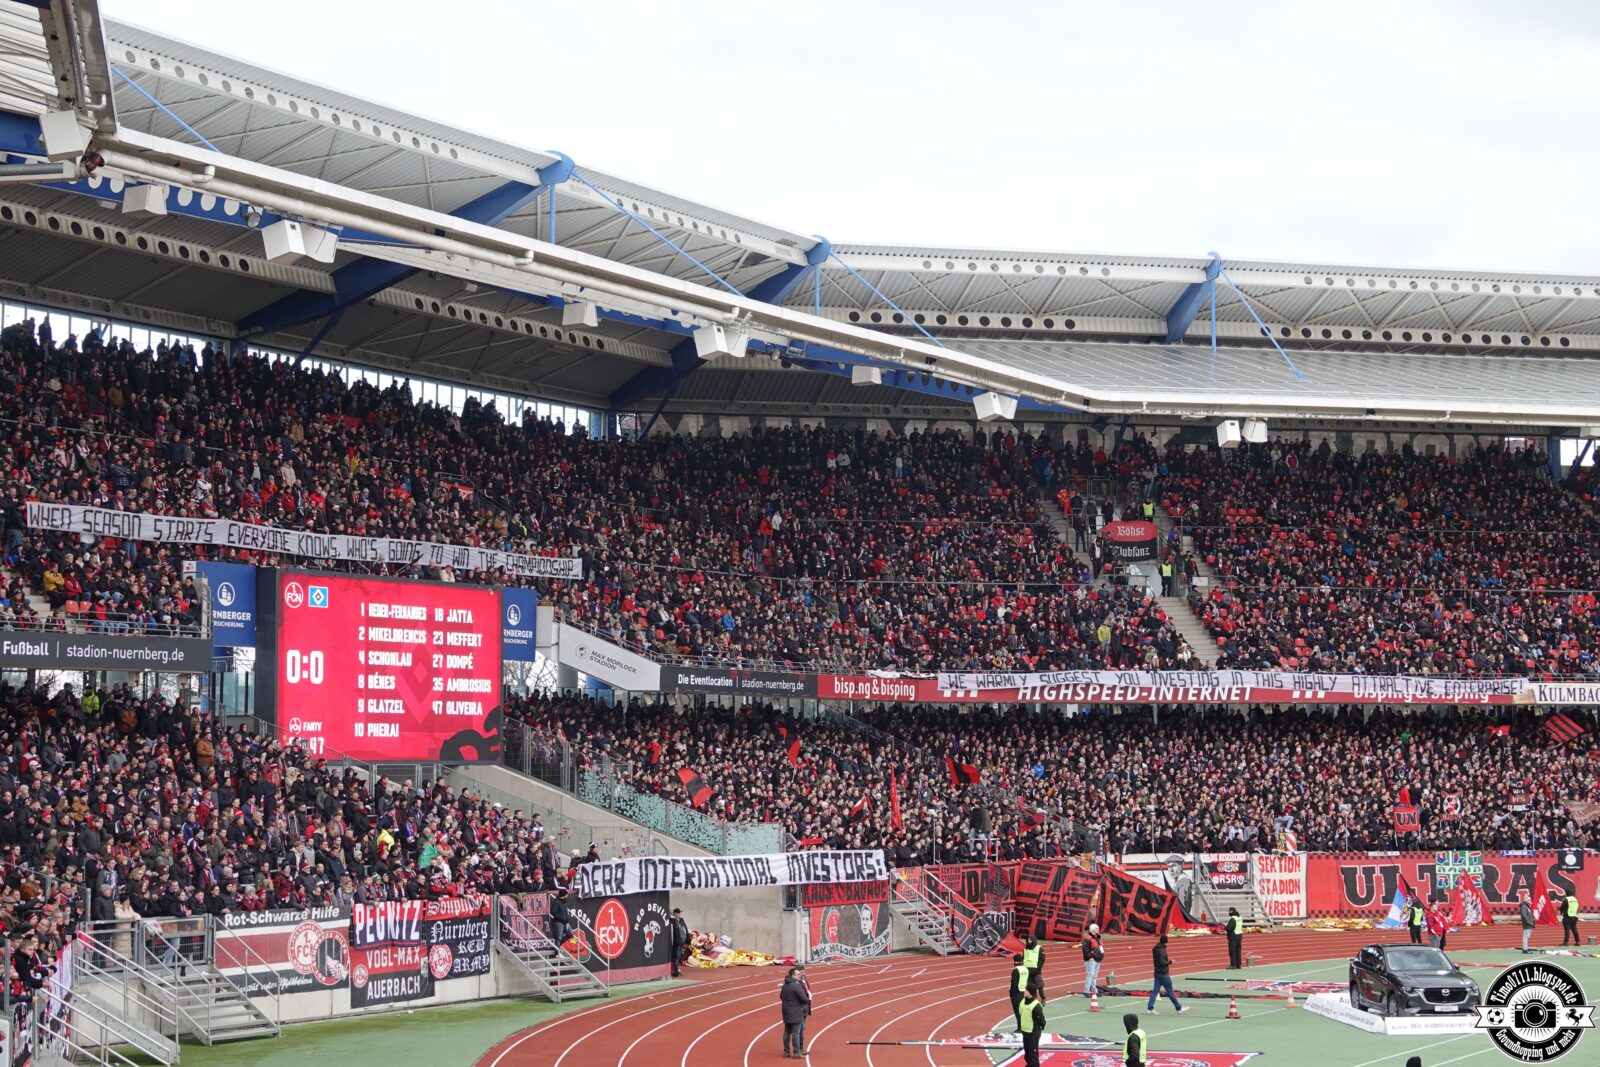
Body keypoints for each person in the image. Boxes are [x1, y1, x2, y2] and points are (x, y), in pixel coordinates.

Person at [1146, 935, 1185, 1014]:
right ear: (1166, 941)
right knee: (1170, 991)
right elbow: (1162, 962)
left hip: (1157, 973)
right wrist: (1170, 961)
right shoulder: (1162, 950)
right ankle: (1179, 1008)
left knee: (1155, 991)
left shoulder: (1155, 948)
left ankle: (1150, 1008)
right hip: (1163, 974)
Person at [780, 965, 812, 1058]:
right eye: (798, 974)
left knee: (787, 1031)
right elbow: (804, 999)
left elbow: (781, 996)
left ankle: (786, 1052)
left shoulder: (785, 985)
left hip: (786, 1011)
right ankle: (796, 1052)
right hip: (796, 1011)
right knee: (796, 1032)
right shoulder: (796, 985)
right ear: (793, 975)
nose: (800, 976)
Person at [1018, 986, 1045, 1067]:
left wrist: (1041, 1026)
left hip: (1033, 1032)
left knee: (1033, 1053)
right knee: (1027, 1053)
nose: (1024, 991)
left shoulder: (1036, 1005)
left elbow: (1041, 1019)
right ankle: (1029, 1065)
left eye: (1026, 990)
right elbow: (1020, 1012)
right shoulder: (1023, 1001)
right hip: (1025, 1031)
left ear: (1031, 992)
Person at [1082, 922, 1104, 996]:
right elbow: (1085, 949)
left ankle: (1094, 990)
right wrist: (1090, 957)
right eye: (1097, 929)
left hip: (1098, 959)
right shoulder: (1087, 938)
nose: (1098, 930)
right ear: (1093, 930)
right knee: (1090, 975)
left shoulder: (1098, 937)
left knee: (1094, 976)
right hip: (1091, 960)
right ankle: (1086, 990)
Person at [1010, 952, 1030, 1028]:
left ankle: (1020, 1028)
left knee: (1017, 1012)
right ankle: (1023, 1026)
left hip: (1016, 993)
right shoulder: (1026, 969)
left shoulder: (1016, 970)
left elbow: (1014, 983)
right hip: (1023, 991)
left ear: (1014, 961)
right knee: (1022, 1011)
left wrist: (1011, 993)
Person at [669, 907, 691, 977]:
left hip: (682, 941)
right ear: (675, 913)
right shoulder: (672, 921)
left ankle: (677, 969)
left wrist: (687, 938)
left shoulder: (681, 920)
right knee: (676, 956)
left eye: (680, 913)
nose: (679, 914)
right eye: (678, 913)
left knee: (679, 957)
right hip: (677, 941)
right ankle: (675, 971)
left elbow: (685, 929)